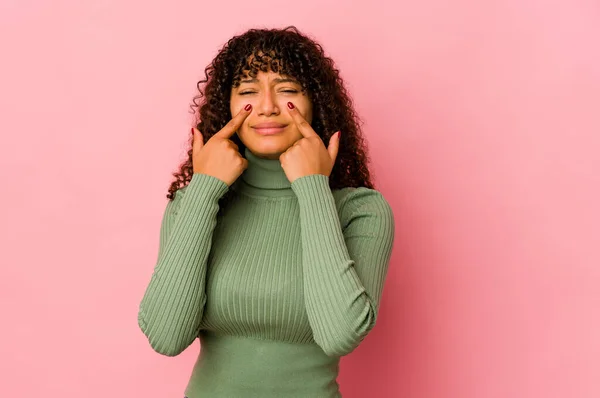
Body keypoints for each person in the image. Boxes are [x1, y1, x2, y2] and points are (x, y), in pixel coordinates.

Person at [137, 25, 396, 398]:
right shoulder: (193, 206)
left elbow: (340, 335)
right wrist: (205, 191)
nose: (268, 106)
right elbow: (165, 335)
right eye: (247, 92)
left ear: (316, 103)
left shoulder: (361, 212)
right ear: (225, 105)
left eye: (288, 90)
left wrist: (312, 188)